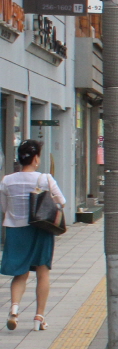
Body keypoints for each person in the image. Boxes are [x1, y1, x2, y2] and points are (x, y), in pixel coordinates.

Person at [2, 140, 65, 331]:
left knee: (20, 273)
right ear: (36, 158)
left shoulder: (7, 180)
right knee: (42, 271)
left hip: (15, 230)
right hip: (40, 229)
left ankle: (14, 309)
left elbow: (3, 208)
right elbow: (61, 202)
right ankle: (39, 317)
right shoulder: (45, 179)